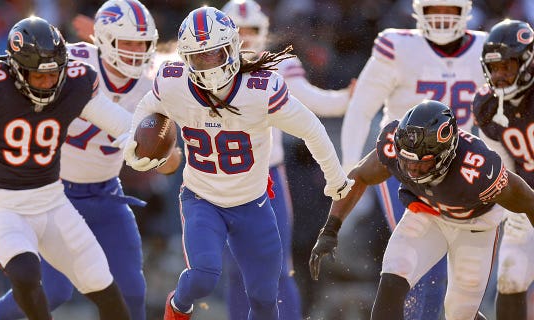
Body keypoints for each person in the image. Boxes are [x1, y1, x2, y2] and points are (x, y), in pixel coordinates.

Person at [121, 6, 353, 320]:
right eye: (201, 56)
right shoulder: (174, 81)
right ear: (186, 57)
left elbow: (311, 126)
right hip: (202, 199)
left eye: (217, 53)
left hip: (252, 204)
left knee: (264, 298)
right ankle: (178, 306)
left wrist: (335, 177)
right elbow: (148, 106)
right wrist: (131, 144)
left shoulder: (260, 87)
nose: (210, 63)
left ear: (233, 48)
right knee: (204, 276)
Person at [0, 2, 182, 320]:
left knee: (131, 290)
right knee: (54, 291)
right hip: (55, 194)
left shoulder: (156, 85)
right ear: (103, 40)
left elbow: (172, 163)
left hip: (106, 194)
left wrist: (161, 156)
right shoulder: (70, 61)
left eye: (142, 43)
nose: (136, 52)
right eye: (127, 42)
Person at [0, 16, 132, 320]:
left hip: (52, 201)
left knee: (101, 281)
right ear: (16, 69)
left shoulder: (74, 82)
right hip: (1, 205)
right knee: (26, 273)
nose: (47, 83)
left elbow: (120, 122)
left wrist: (137, 140)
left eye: (52, 74)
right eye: (38, 76)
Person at [310, 100, 534, 320]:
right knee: (394, 273)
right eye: (406, 161)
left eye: (422, 163)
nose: (412, 170)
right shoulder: (394, 146)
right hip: (428, 213)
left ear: (446, 153)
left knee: (459, 312)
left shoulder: (478, 168)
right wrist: (330, 228)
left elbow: (528, 201)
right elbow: (359, 176)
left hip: (474, 225)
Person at [340, 0, 487, 317]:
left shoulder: (485, 48)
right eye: (436, 10)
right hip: (404, 165)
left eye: (450, 10)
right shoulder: (397, 45)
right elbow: (361, 108)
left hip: (459, 168)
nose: (443, 19)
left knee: (457, 275)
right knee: (423, 265)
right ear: (421, 10)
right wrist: (348, 170)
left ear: (465, 11)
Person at [221, 0, 354, 319]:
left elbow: (313, 102)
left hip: (267, 178)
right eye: (237, 31)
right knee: (237, 270)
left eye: (251, 30)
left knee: (278, 267)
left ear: (263, 31)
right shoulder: (199, 69)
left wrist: (347, 99)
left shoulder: (275, 63)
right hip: (219, 182)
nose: (245, 38)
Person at [471, 19, 534, 320]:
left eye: (507, 66)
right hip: (529, 198)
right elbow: (502, 168)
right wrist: (517, 209)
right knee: (510, 275)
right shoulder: (486, 105)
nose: (500, 75)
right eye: (494, 68)